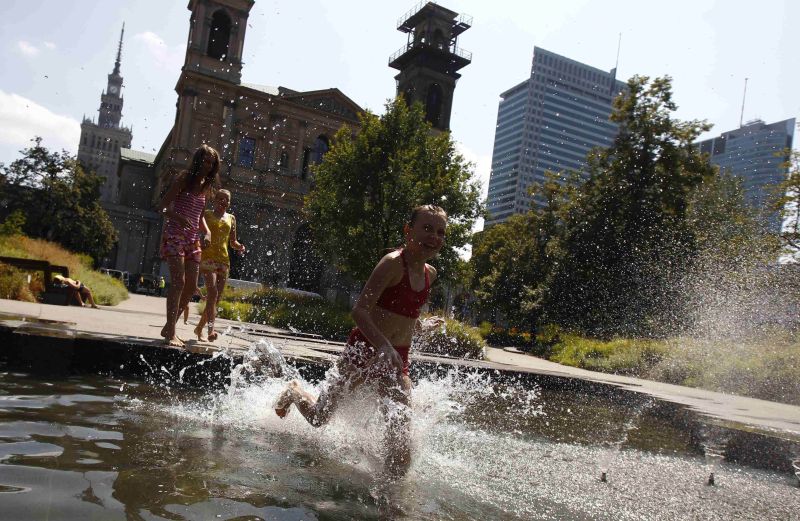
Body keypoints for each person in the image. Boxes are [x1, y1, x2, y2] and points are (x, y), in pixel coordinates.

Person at [274, 204, 447, 479]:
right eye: (426, 228)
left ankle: (391, 502)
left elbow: (404, 314)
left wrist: (420, 326)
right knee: (319, 418)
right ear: (408, 230)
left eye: (440, 232)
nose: (434, 236)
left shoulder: (431, 274)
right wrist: (384, 345)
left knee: (401, 439)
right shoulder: (392, 263)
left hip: (396, 358)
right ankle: (294, 391)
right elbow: (359, 311)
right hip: (364, 350)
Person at [158, 144, 220, 347]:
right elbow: (162, 206)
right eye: (205, 161)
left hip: (193, 239)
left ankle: (169, 327)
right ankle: (171, 334)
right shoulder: (185, 179)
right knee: (178, 282)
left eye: (212, 163)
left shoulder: (206, 186)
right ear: (198, 160)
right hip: (175, 235)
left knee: (192, 286)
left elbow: (200, 216)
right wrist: (178, 217)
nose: (208, 165)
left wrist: (208, 232)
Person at [193, 189, 246, 342]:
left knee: (215, 299)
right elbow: (199, 231)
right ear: (214, 200)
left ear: (229, 203)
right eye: (220, 198)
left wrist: (240, 247)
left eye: (226, 199)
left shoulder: (231, 218)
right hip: (208, 258)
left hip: (224, 260)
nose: (223, 201)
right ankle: (211, 330)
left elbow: (232, 242)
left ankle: (199, 328)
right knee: (212, 292)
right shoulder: (207, 215)